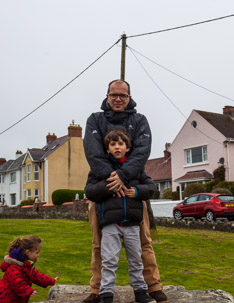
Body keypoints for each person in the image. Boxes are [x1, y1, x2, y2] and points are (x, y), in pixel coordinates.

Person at [83, 79, 167, 303]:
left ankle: (152, 287)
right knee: (99, 245)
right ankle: (97, 290)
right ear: (107, 96)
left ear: (129, 97)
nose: (118, 99)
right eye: (113, 95)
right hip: (103, 194)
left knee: (144, 244)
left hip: (132, 193)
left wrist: (123, 176)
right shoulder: (95, 120)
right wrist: (114, 179)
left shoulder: (139, 120)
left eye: (123, 95)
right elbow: (93, 154)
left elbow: (142, 152)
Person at [85, 128, 156, 303]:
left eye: (121, 144)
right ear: (107, 149)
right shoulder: (98, 170)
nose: (117, 147)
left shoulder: (136, 170)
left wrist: (137, 191)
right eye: (113, 144)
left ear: (127, 148)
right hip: (110, 224)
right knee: (109, 260)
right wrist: (109, 186)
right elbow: (90, 191)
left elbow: (151, 187)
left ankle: (140, 292)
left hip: (131, 223)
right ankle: (106, 294)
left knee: (136, 260)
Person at [0, 235, 58, 303]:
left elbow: (35, 275)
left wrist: (50, 280)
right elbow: (17, 282)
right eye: (36, 252)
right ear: (28, 252)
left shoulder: (26, 264)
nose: (38, 255)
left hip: (16, 297)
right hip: (6, 297)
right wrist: (28, 291)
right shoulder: (13, 266)